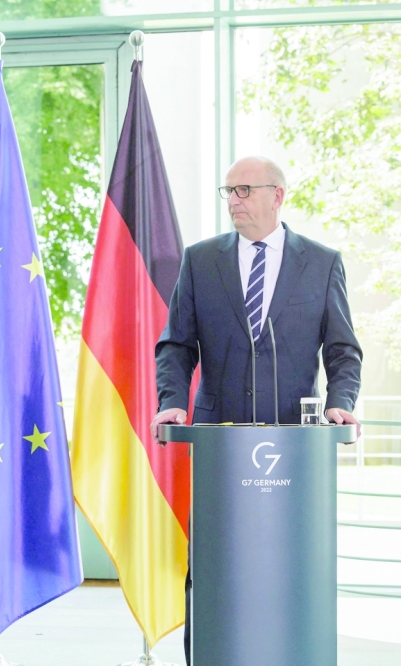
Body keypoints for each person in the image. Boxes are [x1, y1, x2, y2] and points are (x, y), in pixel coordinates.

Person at [151, 156, 363, 664]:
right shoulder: (201, 260)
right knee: (214, 565)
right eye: (228, 192)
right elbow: (176, 345)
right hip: (219, 447)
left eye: (244, 190)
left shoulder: (322, 261)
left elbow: (342, 349)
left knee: (291, 564)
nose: (234, 201)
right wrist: (173, 403)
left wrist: (340, 404)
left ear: (278, 195)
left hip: (296, 446)